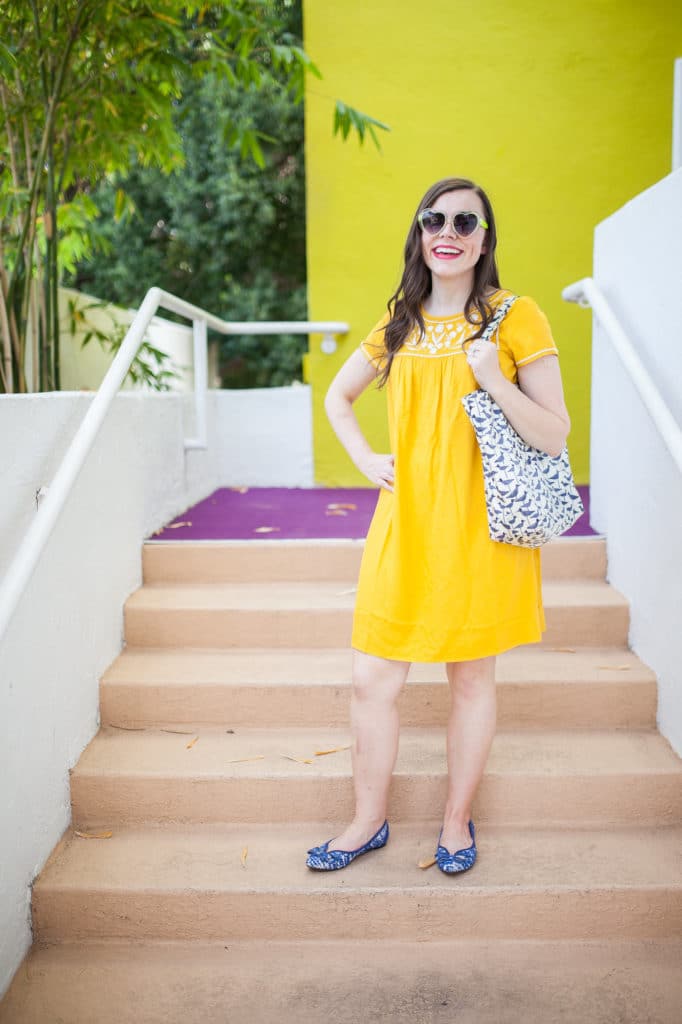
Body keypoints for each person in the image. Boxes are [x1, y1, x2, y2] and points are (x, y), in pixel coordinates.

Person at [306, 177, 571, 874]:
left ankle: (456, 823)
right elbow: (339, 394)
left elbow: (554, 435)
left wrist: (496, 378)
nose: (447, 231)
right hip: (406, 525)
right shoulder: (399, 321)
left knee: (470, 681)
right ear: (420, 233)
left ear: (484, 238)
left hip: (479, 532)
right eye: (434, 218)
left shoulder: (515, 317)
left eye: (465, 220)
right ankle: (368, 820)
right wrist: (366, 458)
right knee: (372, 681)